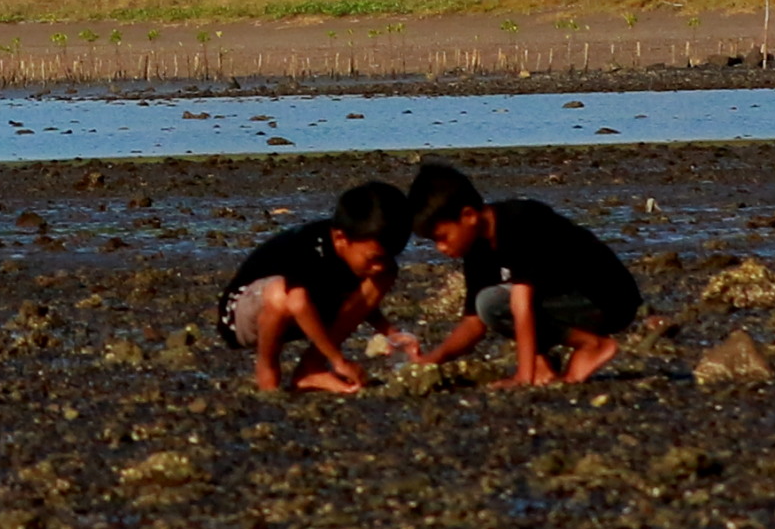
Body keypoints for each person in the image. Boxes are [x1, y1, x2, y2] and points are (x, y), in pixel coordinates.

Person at [403, 161, 643, 386]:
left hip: (608, 298)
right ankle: (545, 365)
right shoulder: (477, 246)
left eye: (442, 238)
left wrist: (523, 377)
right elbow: (474, 323)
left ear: (468, 216)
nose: (441, 248)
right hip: (567, 299)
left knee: (494, 302)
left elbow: (521, 304)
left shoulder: (520, 222)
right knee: (488, 304)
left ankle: (590, 345)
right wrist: (433, 359)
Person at [218, 179, 409, 394]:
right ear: (341, 238)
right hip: (243, 315)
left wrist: (390, 333)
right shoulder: (308, 247)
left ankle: (311, 369)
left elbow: (358, 301)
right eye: (374, 258)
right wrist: (338, 361)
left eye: (387, 257)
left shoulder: (357, 253)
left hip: (305, 309)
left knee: (385, 274)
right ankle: (267, 371)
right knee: (281, 295)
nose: (378, 266)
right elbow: (297, 302)